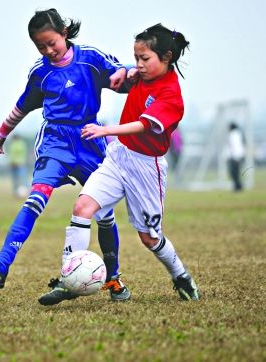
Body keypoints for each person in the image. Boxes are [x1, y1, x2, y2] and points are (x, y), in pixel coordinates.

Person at [0, 8, 131, 302]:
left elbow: (123, 74)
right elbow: (22, 106)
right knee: (35, 200)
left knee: (104, 213)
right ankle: (0, 267)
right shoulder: (40, 72)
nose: (47, 50)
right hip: (55, 143)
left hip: (90, 139)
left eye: (51, 43)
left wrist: (124, 72)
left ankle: (113, 278)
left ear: (64, 33)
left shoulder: (90, 58)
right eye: (40, 46)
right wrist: (1, 134)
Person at [42, 23, 201, 305]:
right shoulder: (141, 74)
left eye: (144, 59)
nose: (138, 64)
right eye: (136, 58)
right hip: (118, 158)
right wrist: (122, 72)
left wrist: (106, 130)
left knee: (149, 238)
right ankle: (69, 279)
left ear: (166, 57)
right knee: (82, 208)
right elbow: (125, 74)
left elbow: (142, 125)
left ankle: (180, 276)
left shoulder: (171, 94)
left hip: (146, 167)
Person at [227, 122, 245, 192]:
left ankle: (237, 186)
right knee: (235, 172)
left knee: (234, 172)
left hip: (235, 156)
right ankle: (238, 186)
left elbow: (235, 146)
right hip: (238, 155)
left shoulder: (233, 135)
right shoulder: (238, 134)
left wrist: (235, 156)